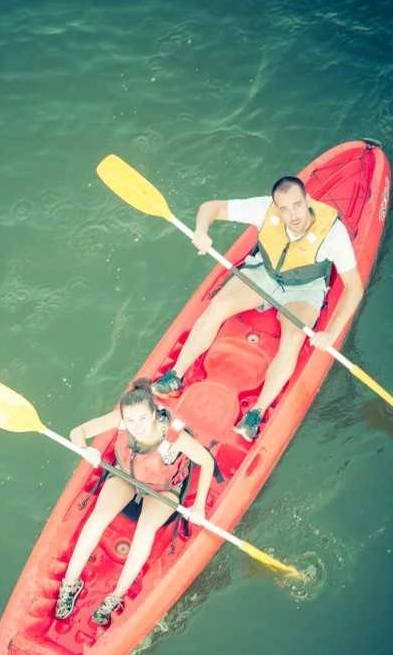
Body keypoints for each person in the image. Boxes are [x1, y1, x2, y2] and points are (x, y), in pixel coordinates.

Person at [152, 175, 364, 441]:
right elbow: (211, 207)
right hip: (264, 273)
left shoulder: (333, 233)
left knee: (294, 337)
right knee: (218, 307)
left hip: (304, 287)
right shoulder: (264, 209)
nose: (292, 215)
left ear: (308, 200)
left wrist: (332, 333)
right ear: (276, 206)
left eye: (297, 205)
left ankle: (256, 413)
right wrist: (202, 231)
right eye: (284, 208)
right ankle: (175, 376)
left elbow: (354, 288)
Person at [54, 378, 215, 626]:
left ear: (153, 415)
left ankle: (115, 596)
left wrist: (199, 506)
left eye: (141, 419)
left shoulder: (172, 435)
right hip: (126, 476)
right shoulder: (121, 420)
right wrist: (84, 449)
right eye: (130, 420)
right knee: (98, 518)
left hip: (163, 488)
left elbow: (206, 461)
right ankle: (70, 584)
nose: (136, 426)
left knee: (145, 528)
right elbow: (78, 432)